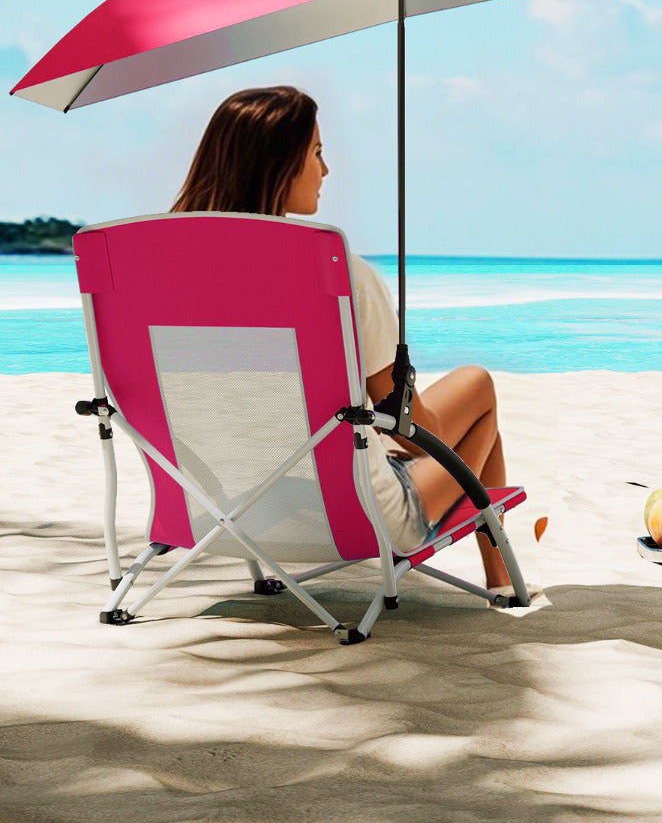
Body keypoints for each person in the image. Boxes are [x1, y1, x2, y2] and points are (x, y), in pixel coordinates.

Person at [172, 85, 518, 591]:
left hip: (223, 511)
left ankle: (505, 579)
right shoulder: (336, 275)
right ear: (279, 163)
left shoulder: (172, 280)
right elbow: (410, 430)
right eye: (316, 151)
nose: (326, 170)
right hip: (358, 517)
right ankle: (505, 583)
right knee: (477, 386)